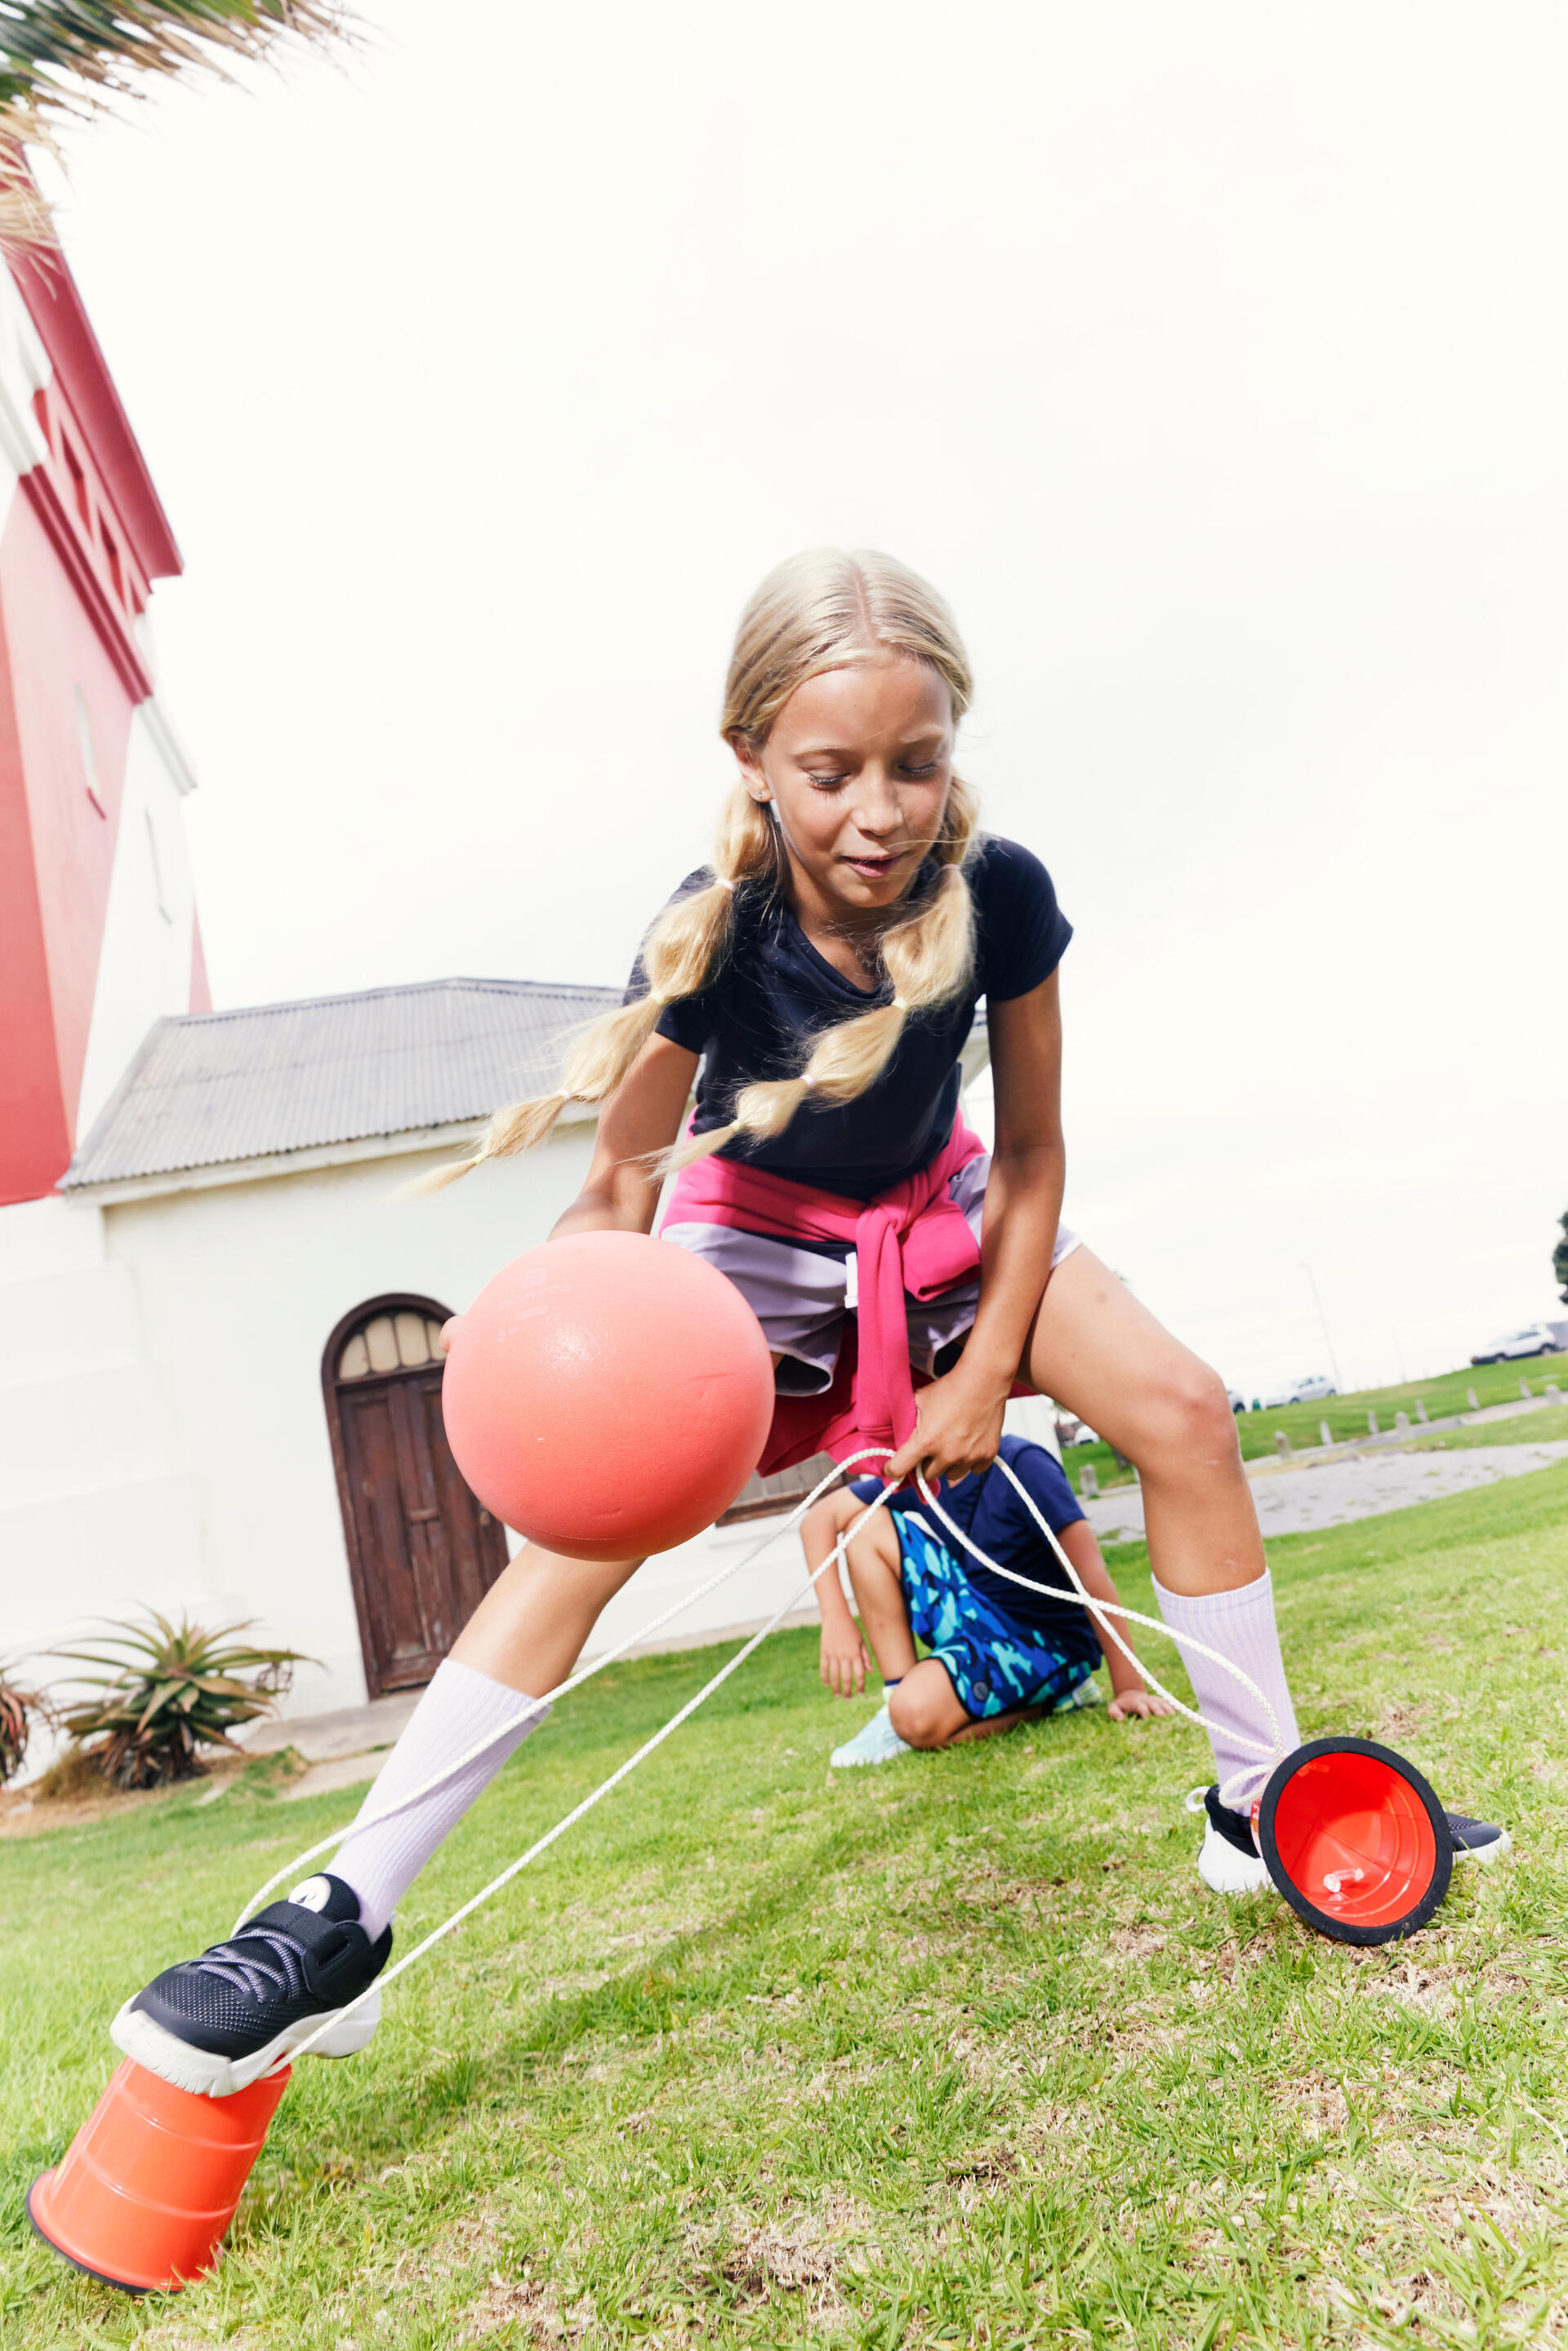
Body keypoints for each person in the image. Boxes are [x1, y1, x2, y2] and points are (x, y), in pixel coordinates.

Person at [112, 549, 1503, 2097]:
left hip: (943, 1214)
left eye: (917, 762)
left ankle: (1260, 1805)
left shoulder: (1006, 894)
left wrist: (983, 1372)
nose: (881, 810)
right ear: (754, 761)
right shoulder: (708, 926)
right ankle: (341, 1923)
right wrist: (585, 1321)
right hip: (751, 1247)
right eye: (833, 771)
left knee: (1184, 1409)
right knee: (581, 1537)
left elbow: (1035, 1157)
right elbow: (617, 1185)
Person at [806, 1434, 1172, 1765]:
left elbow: (1091, 1576)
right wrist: (836, 1616)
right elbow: (818, 1519)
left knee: (915, 1717)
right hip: (977, 1615)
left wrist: (1128, 1688)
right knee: (863, 1524)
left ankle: (1058, 1697)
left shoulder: (1023, 1463)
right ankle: (895, 1703)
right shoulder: (922, 1469)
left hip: (1045, 1641)